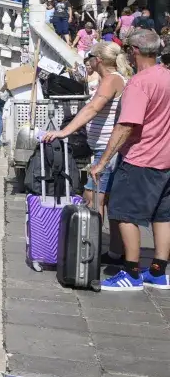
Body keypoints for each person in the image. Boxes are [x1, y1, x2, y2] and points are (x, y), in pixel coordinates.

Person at [91, 28, 170, 291]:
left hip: (140, 158)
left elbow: (126, 126)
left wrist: (102, 162)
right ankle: (158, 272)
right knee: (163, 216)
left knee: (124, 214)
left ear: (134, 51)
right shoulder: (167, 77)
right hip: (166, 160)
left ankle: (132, 273)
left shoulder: (139, 83)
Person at [44, 41, 129, 265]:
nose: (88, 60)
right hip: (103, 148)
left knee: (93, 199)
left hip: (106, 150)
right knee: (106, 201)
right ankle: (114, 253)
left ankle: (90, 250)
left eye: (90, 56)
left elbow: (93, 109)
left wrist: (64, 131)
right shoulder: (110, 79)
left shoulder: (112, 80)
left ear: (98, 59)